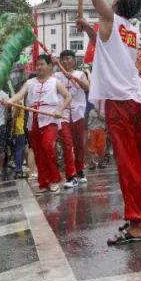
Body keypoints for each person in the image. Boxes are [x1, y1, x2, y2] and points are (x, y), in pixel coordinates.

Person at [79, 0, 141, 246]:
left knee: (128, 164)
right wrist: (86, 30)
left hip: (121, 104)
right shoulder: (132, 30)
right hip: (136, 99)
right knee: (140, 162)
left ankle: (136, 224)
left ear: (119, 1)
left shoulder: (110, 19)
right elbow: (108, 49)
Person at [10, 55, 72, 192]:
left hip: (50, 120)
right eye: (37, 64)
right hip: (34, 121)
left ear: (50, 66)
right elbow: (19, 95)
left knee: (47, 146)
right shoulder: (30, 82)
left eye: (42, 64)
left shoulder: (55, 82)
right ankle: (44, 182)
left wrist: (60, 109)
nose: (39, 67)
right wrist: (11, 101)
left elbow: (68, 96)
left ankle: (54, 179)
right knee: (38, 152)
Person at [57, 49, 90, 183]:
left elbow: (87, 87)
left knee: (79, 144)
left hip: (77, 113)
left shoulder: (80, 73)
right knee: (66, 144)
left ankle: (80, 170)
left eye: (69, 58)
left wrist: (74, 78)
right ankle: (70, 175)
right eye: (63, 59)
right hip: (63, 114)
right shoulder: (56, 76)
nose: (66, 61)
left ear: (74, 60)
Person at [87, 104, 108, 169]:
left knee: (101, 147)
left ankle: (100, 162)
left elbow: (103, 119)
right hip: (92, 130)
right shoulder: (91, 111)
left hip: (101, 130)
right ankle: (92, 163)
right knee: (92, 147)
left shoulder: (103, 111)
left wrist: (98, 112)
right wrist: (88, 132)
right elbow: (89, 122)